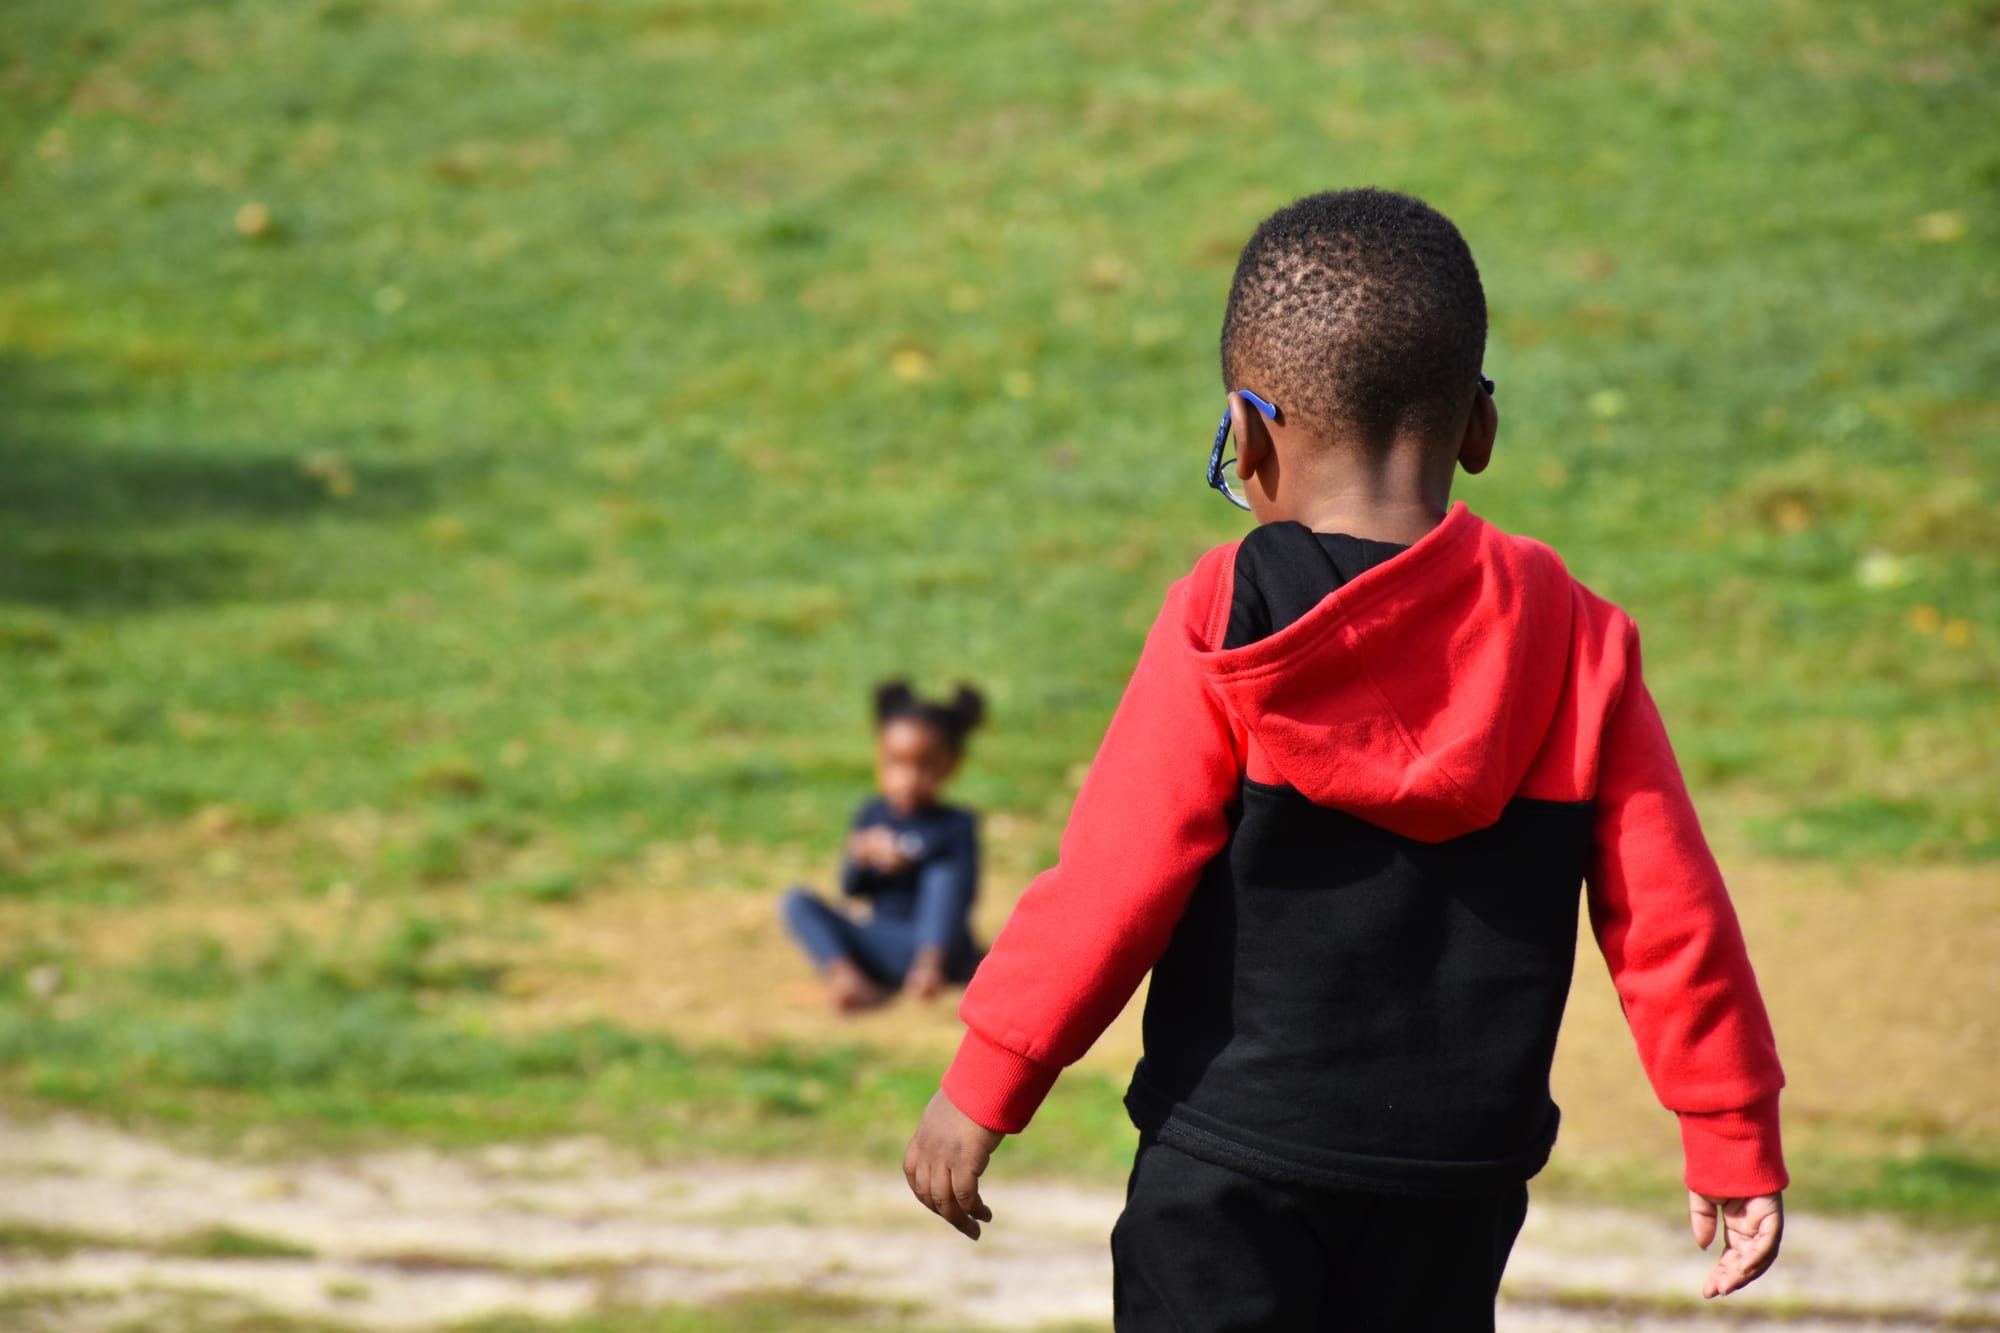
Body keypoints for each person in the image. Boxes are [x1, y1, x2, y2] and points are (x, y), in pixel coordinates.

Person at [902, 189, 1787, 1329]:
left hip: (1227, 1166)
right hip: (1454, 1185)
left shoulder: (1225, 612)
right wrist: (1726, 1127)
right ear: (1477, 426)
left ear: (1246, 428)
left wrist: (987, 1080)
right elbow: (1670, 918)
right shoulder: (1575, 636)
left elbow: (1112, 880)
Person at [782, 680, 987, 1014]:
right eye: (894, 764)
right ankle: (848, 979)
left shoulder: (955, 824)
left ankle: (928, 970)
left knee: (942, 871)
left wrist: (911, 856)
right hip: (884, 943)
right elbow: (850, 890)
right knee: (797, 902)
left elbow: (961, 894)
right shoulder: (872, 815)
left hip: (942, 949)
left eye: (924, 766)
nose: (906, 778)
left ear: (951, 764)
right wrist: (859, 857)